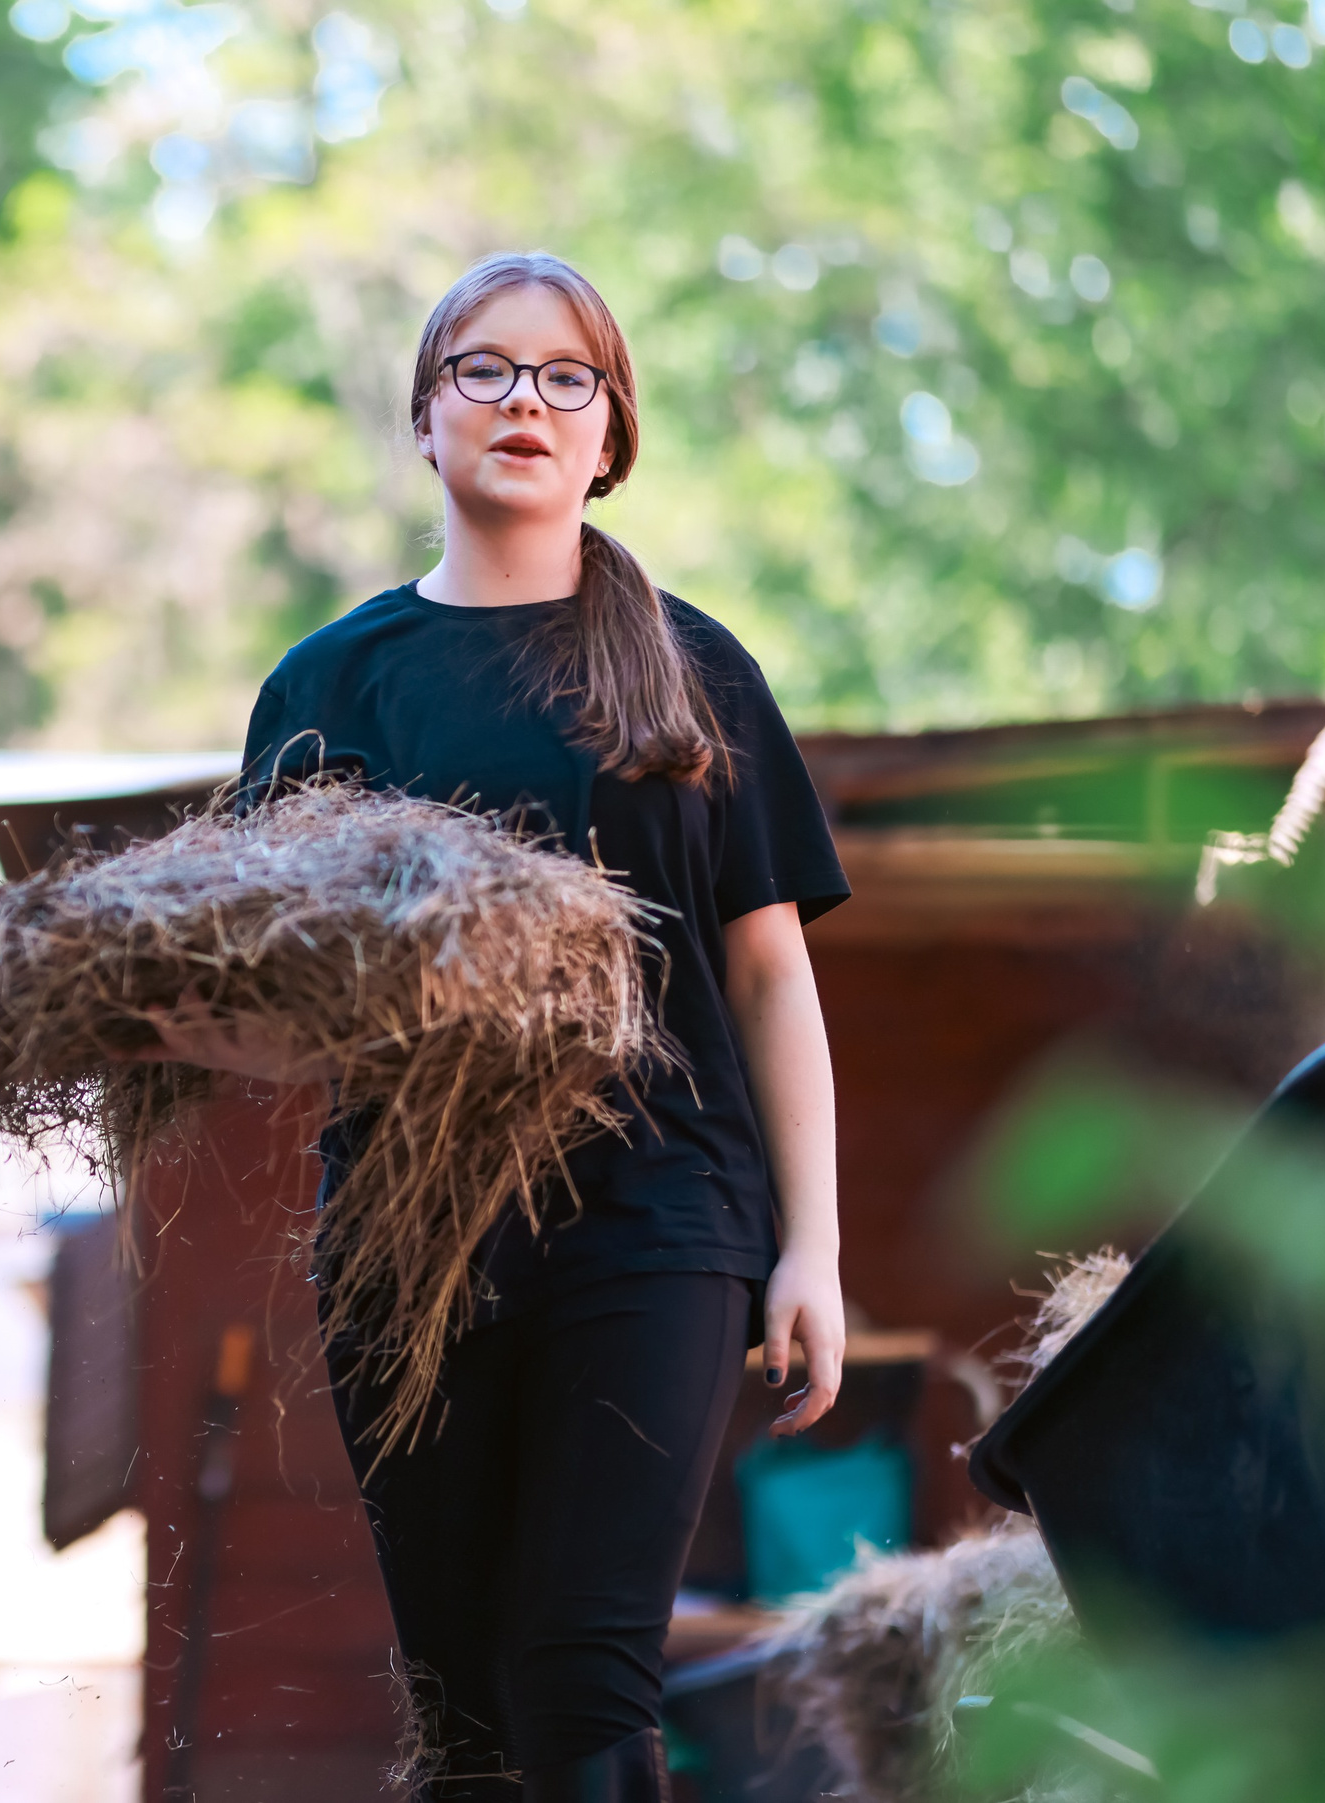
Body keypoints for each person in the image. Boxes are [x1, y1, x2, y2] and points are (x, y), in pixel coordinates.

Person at [131, 252, 849, 1801]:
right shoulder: (330, 686)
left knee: (582, 1675)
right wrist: (190, 1030)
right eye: (486, 369)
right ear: (425, 419)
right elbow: (299, 1009)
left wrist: (815, 1248)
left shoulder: (691, 669)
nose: (526, 401)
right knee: (462, 1712)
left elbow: (771, 977)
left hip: (657, 1220)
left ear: (611, 437)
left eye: (566, 377)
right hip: (405, 1237)